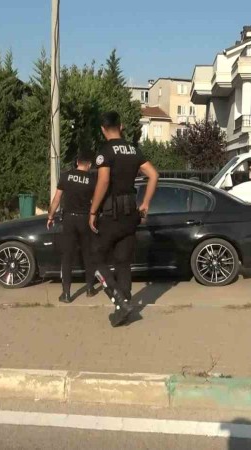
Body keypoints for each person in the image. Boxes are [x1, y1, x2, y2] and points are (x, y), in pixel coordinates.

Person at [89, 111, 159, 327]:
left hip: (112, 214)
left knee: (96, 259)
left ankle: (119, 300)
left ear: (103, 129)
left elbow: (103, 181)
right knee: (123, 262)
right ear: (120, 126)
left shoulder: (105, 151)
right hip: (131, 214)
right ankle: (125, 307)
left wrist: (93, 211)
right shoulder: (134, 150)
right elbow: (154, 175)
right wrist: (145, 203)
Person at [47, 152, 97, 303]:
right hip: (84, 219)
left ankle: (66, 293)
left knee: (67, 256)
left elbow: (57, 198)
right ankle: (90, 288)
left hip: (69, 219)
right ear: (88, 164)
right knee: (88, 254)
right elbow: (95, 200)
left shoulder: (65, 176)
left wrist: (50, 216)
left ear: (77, 162)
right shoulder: (91, 179)